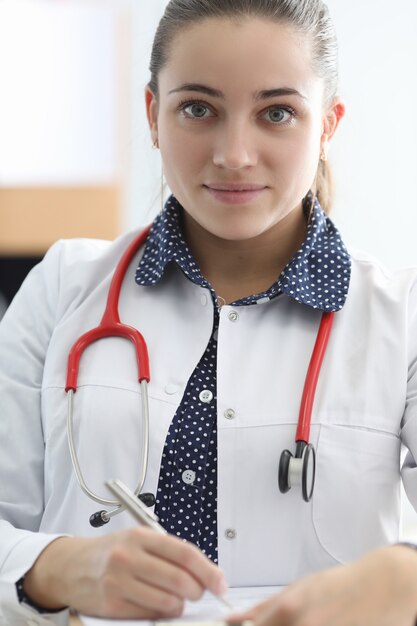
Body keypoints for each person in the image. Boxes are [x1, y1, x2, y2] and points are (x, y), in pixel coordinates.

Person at [1, 0, 417, 624]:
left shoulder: (402, 315)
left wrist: (401, 577)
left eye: (277, 112)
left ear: (328, 125)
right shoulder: (64, 285)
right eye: (199, 108)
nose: (234, 154)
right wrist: (56, 566)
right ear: (153, 115)